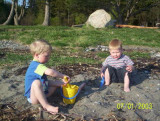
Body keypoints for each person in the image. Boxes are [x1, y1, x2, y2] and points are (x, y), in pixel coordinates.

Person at [25, 40, 70, 114]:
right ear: (37, 55)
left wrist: (59, 83)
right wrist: (62, 76)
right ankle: (46, 105)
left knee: (53, 84)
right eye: (46, 56)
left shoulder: (39, 65)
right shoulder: (35, 66)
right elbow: (51, 72)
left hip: (43, 92)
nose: (48, 58)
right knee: (36, 83)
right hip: (33, 98)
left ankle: (45, 97)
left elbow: (45, 82)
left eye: (49, 55)